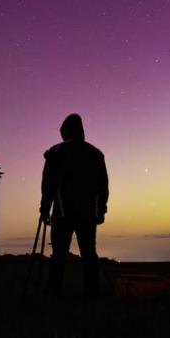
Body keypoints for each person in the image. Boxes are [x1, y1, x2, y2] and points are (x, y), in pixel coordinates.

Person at [39, 114, 109, 295]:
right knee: (89, 253)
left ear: (65, 132)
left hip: (63, 212)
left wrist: (45, 208)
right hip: (87, 213)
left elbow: (48, 184)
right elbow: (103, 187)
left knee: (59, 254)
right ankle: (92, 293)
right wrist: (101, 210)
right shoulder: (95, 154)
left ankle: (53, 291)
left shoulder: (55, 152)